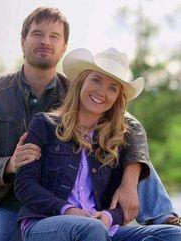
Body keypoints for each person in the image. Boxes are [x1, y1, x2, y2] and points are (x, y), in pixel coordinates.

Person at [0, 6, 179, 241]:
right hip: (3, 200)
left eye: (54, 36)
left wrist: (129, 180)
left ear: (64, 47)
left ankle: (165, 218)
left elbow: (129, 126)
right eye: (37, 34)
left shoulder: (79, 92)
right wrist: (10, 164)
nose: (45, 41)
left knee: (132, 162)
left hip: (68, 201)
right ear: (22, 41)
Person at [14, 47, 181, 241]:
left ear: (117, 98)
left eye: (112, 88)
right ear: (81, 82)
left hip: (102, 229)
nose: (102, 92)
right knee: (91, 229)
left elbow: (120, 204)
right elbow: (24, 185)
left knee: (174, 235)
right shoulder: (44, 124)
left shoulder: (115, 140)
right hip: (45, 224)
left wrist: (109, 217)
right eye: (96, 80)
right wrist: (68, 210)